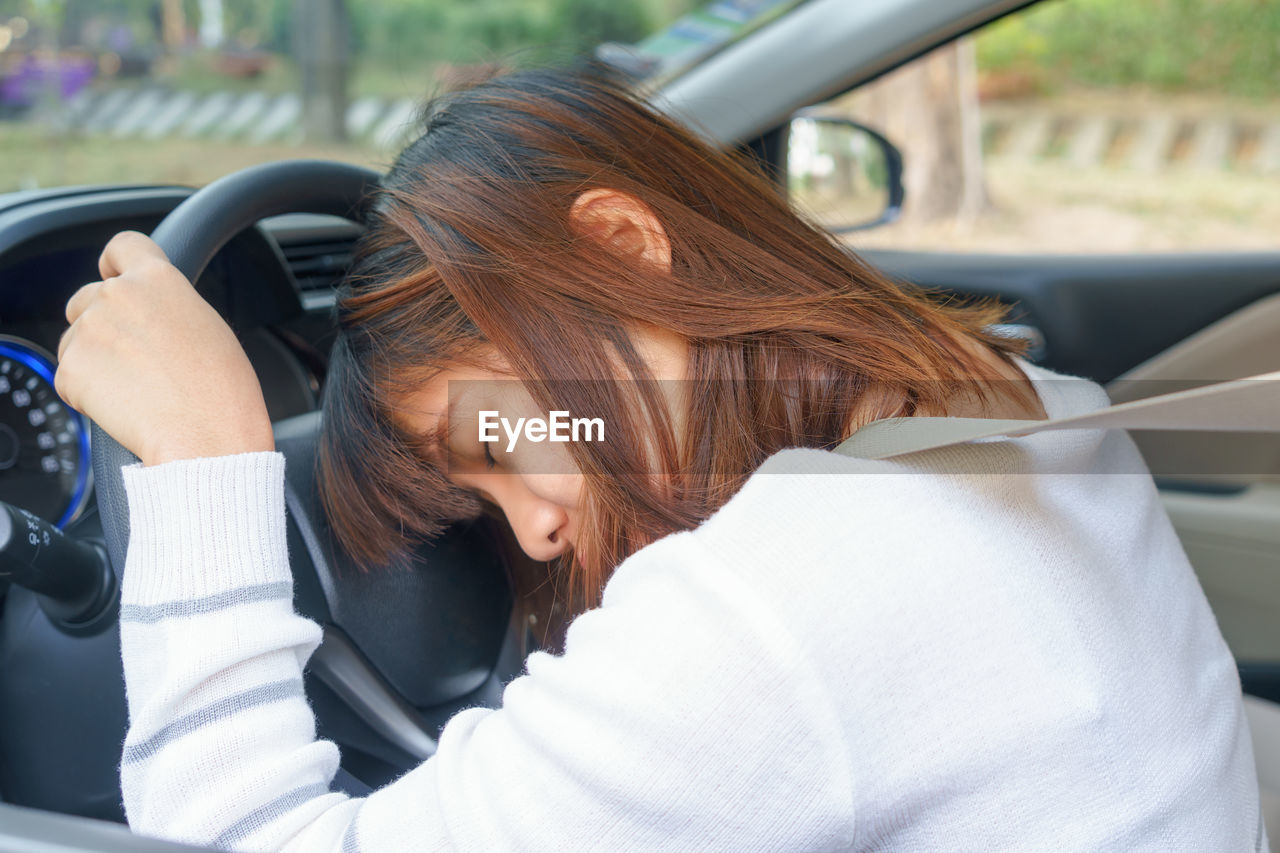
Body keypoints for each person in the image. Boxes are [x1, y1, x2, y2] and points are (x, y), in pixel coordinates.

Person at [55, 67, 1263, 852]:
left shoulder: (780, 606)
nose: (528, 534)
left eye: (495, 434)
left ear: (626, 250)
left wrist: (203, 458)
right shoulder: (1025, 402)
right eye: (479, 498)